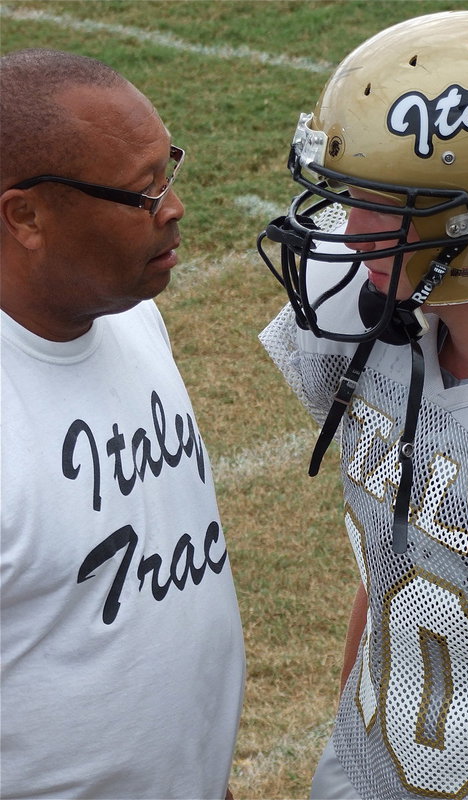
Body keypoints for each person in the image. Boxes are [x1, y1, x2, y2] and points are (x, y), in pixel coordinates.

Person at [258, 10, 468, 799]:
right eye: (349, 193)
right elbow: (394, 563)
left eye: (386, 208)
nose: (348, 233)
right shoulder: (368, 309)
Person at [0, 49, 244, 799]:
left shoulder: (128, 317)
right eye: (142, 193)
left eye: (167, 170)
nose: (172, 207)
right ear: (27, 216)